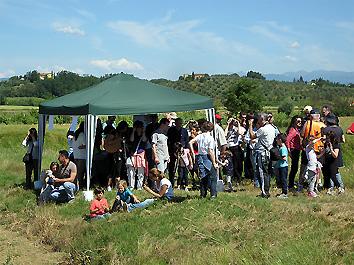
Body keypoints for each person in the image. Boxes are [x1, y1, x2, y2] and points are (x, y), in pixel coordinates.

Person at [248, 113, 276, 198]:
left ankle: (264, 192)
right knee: (266, 172)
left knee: (262, 172)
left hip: (262, 153)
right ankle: (266, 190)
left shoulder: (263, 129)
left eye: (259, 119)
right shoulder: (272, 128)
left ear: (262, 120)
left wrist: (250, 125)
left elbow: (252, 136)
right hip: (268, 152)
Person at [189, 121, 219, 198]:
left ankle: (203, 194)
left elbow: (190, 142)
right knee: (213, 177)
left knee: (203, 177)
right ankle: (213, 195)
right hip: (207, 157)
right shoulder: (210, 138)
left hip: (199, 156)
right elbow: (210, 151)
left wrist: (193, 153)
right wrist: (214, 162)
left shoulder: (200, 136)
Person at [167, 118, 189, 187]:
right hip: (172, 150)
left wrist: (183, 148)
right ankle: (172, 182)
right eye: (178, 123)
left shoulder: (184, 131)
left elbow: (186, 140)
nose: (179, 125)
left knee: (182, 167)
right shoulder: (171, 130)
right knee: (172, 167)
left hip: (182, 151)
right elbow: (169, 140)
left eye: (180, 123)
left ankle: (182, 182)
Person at [224, 117, 246, 187]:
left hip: (235, 147)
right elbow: (224, 135)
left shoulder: (236, 128)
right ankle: (230, 178)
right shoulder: (227, 129)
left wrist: (238, 124)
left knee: (237, 164)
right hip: (229, 147)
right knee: (229, 164)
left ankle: (238, 178)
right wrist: (228, 125)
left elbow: (239, 133)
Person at [127, 120, 148, 189]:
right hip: (133, 154)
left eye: (140, 127)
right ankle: (131, 186)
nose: (139, 129)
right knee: (131, 171)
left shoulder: (144, 134)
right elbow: (131, 140)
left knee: (141, 171)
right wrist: (133, 131)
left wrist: (144, 132)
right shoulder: (133, 134)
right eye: (137, 127)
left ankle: (139, 186)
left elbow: (144, 140)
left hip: (141, 154)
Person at [286, 116, 302, 190]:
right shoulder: (293, 130)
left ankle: (291, 183)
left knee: (295, 167)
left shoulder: (296, 130)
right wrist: (289, 150)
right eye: (298, 121)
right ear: (294, 122)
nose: (300, 123)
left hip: (297, 149)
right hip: (294, 150)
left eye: (300, 121)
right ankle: (290, 184)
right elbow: (287, 140)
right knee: (294, 168)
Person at [73, 122, 86, 189]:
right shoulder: (82, 135)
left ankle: (76, 186)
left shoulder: (76, 134)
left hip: (76, 155)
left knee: (77, 173)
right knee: (80, 174)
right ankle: (79, 187)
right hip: (82, 156)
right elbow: (83, 145)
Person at [275, 134, 288, 198]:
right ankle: (283, 192)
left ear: (280, 140)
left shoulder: (283, 148)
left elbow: (284, 158)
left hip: (283, 166)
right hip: (281, 166)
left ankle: (285, 193)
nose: (276, 140)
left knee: (283, 180)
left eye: (277, 139)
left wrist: (277, 156)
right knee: (281, 179)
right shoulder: (281, 147)